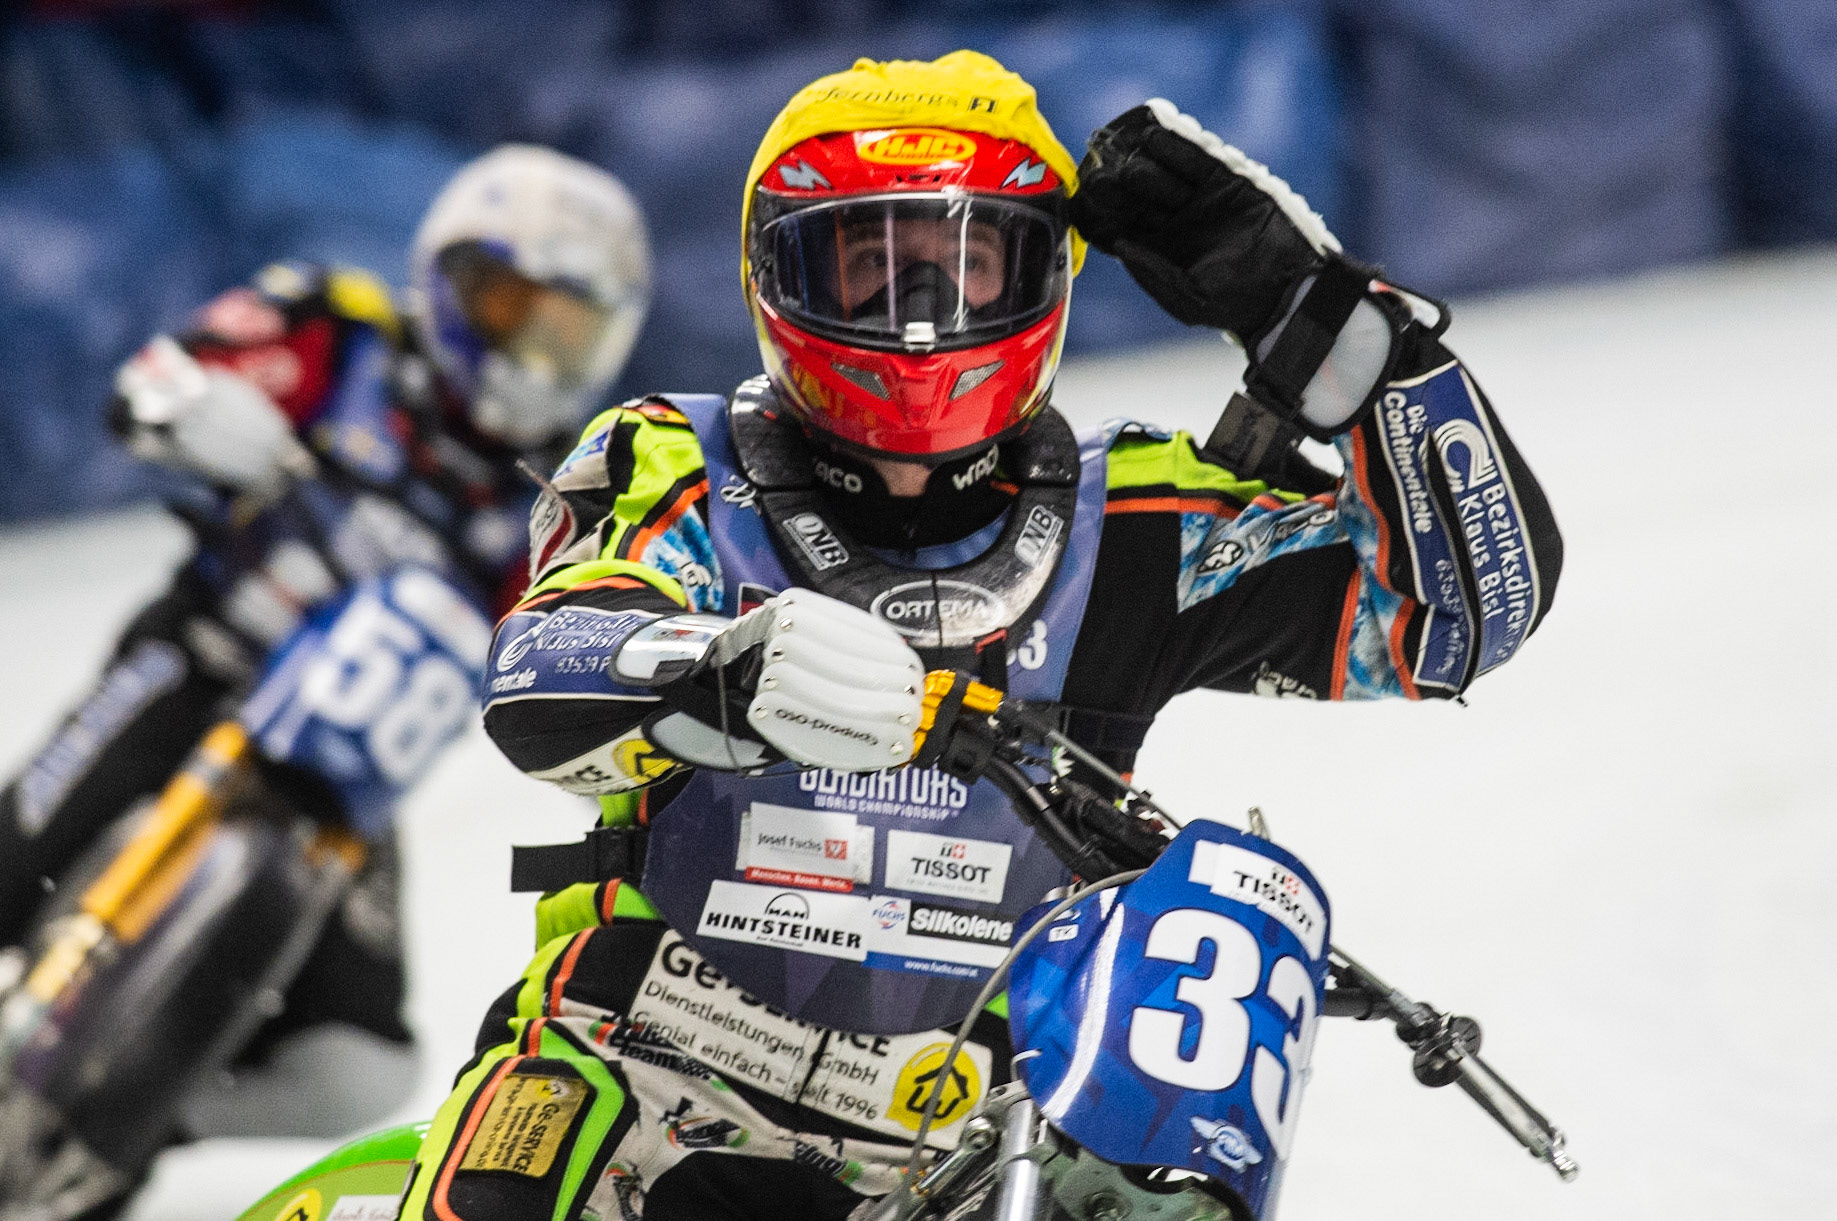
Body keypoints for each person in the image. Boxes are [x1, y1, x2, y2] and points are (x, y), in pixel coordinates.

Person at [399, 52, 1561, 1221]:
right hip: (637, 1067)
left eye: (963, 262)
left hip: (959, 1145)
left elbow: (1460, 618)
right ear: (776, 277)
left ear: (1040, 277)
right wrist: (718, 671)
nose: (919, 317)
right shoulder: (670, 461)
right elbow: (538, 668)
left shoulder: (1146, 516)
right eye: (867, 265)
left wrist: (1331, 334)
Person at [0, 145, 652, 1094]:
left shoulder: (573, 495)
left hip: (350, 781)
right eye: (511, 306)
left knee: (357, 1068)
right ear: (447, 279)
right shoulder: (337, 333)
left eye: (565, 332)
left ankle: (136, 1111)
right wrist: (196, 407)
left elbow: (579, 652)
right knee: (18, 854)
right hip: (205, 662)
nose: (530, 355)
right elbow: (155, 380)